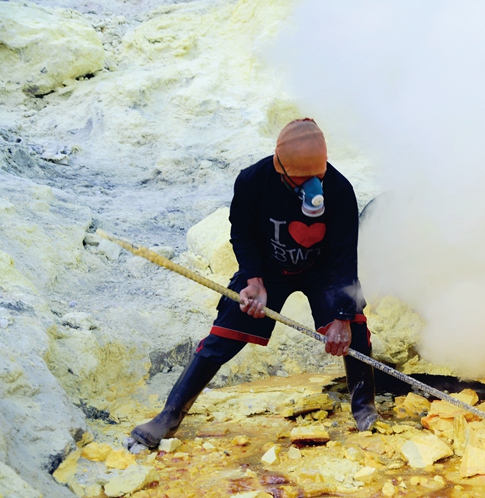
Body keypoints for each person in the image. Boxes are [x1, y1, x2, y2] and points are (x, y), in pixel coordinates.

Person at [128, 119, 377, 449]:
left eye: (318, 177)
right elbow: (242, 233)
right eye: (303, 180)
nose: (313, 187)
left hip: (324, 271)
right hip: (269, 269)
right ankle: (169, 416)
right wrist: (253, 279)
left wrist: (343, 320)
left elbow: (345, 257)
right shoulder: (253, 181)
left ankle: (365, 410)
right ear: (280, 166)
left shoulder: (340, 190)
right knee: (223, 334)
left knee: (355, 328)